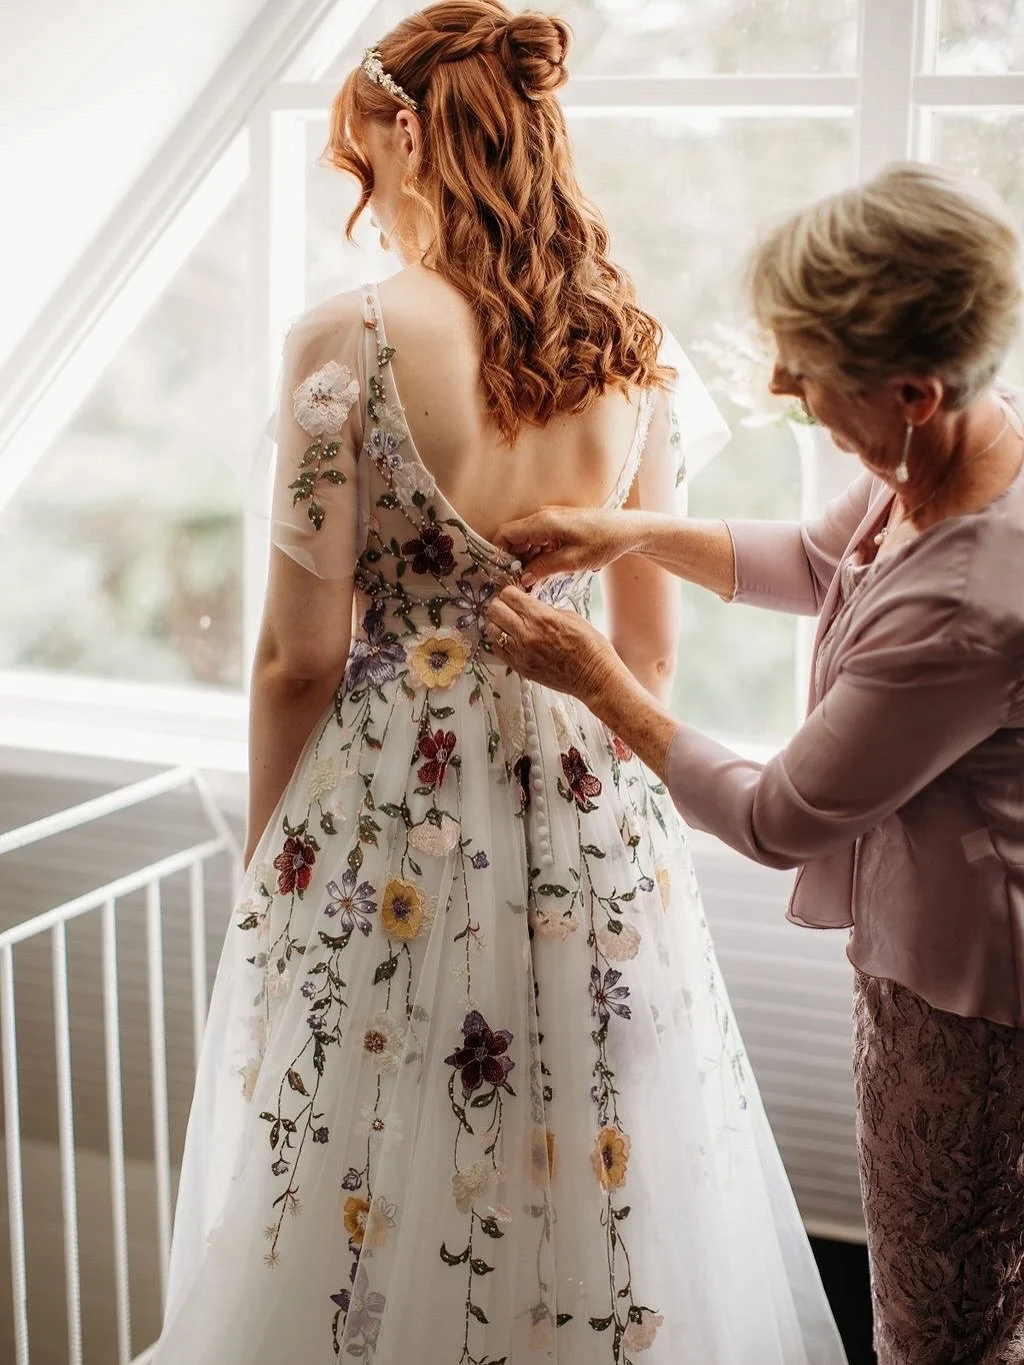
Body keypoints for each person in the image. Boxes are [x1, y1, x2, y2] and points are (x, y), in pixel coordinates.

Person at [153, 4, 846, 1363]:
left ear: (408, 133)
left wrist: (268, 858)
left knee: (374, 1142)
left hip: (386, 815)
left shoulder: (345, 338)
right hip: (587, 798)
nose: (361, 186)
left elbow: (300, 656)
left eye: (361, 153)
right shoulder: (629, 345)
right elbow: (648, 650)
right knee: (590, 1137)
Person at [486, 162, 1024, 1365]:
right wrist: (626, 531)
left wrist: (595, 678)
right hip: (938, 957)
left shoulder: (970, 597)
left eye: (806, 368)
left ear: (914, 391)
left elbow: (778, 818)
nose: (779, 386)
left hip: (980, 1000)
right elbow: (815, 562)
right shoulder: (958, 450)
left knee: (945, 1322)